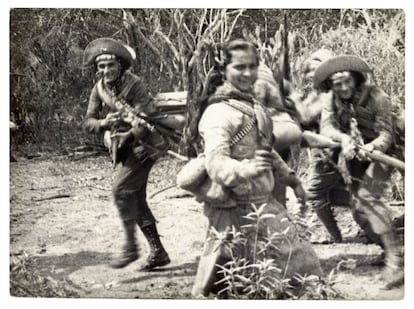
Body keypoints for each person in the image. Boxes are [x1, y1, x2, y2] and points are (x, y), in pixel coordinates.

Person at [189, 39, 323, 298]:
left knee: (300, 264)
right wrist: (247, 168)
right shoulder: (218, 113)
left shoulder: (252, 106)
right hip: (230, 208)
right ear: (223, 68)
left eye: (253, 66)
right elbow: (216, 163)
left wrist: (292, 180)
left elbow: (265, 150)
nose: (248, 73)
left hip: (262, 203)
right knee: (218, 280)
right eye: (240, 67)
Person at [312, 54, 404, 289]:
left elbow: (386, 134)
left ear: (356, 79)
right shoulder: (330, 99)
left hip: (385, 153)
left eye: (347, 82)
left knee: (367, 199)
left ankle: (396, 263)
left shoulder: (377, 98)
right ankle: (389, 250)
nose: (343, 88)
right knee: (358, 209)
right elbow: (327, 126)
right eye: (337, 83)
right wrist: (343, 139)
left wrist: (373, 146)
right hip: (353, 154)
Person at [82, 38, 170, 270]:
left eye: (111, 65)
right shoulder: (100, 88)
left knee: (121, 190)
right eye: (101, 66)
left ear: (120, 65)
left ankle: (131, 248)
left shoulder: (135, 85)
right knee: (135, 197)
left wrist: (127, 135)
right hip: (123, 149)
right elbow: (88, 122)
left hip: (145, 145)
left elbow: (145, 120)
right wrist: (103, 123)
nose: (106, 70)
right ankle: (158, 252)